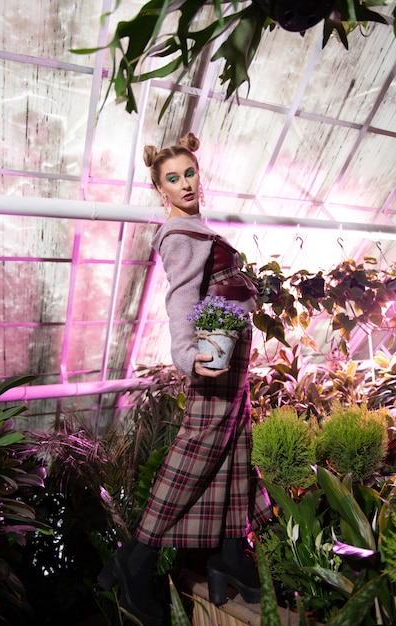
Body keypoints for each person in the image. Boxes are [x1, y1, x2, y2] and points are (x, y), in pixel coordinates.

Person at [98, 132, 272, 625]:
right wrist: (186, 353)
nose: (185, 183)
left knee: (237, 445)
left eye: (189, 173)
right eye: (173, 179)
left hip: (230, 353)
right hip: (211, 358)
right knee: (193, 456)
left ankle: (231, 555)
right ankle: (136, 562)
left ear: (200, 173)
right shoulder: (179, 234)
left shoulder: (196, 226)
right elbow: (179, 299)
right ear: (161, 190)